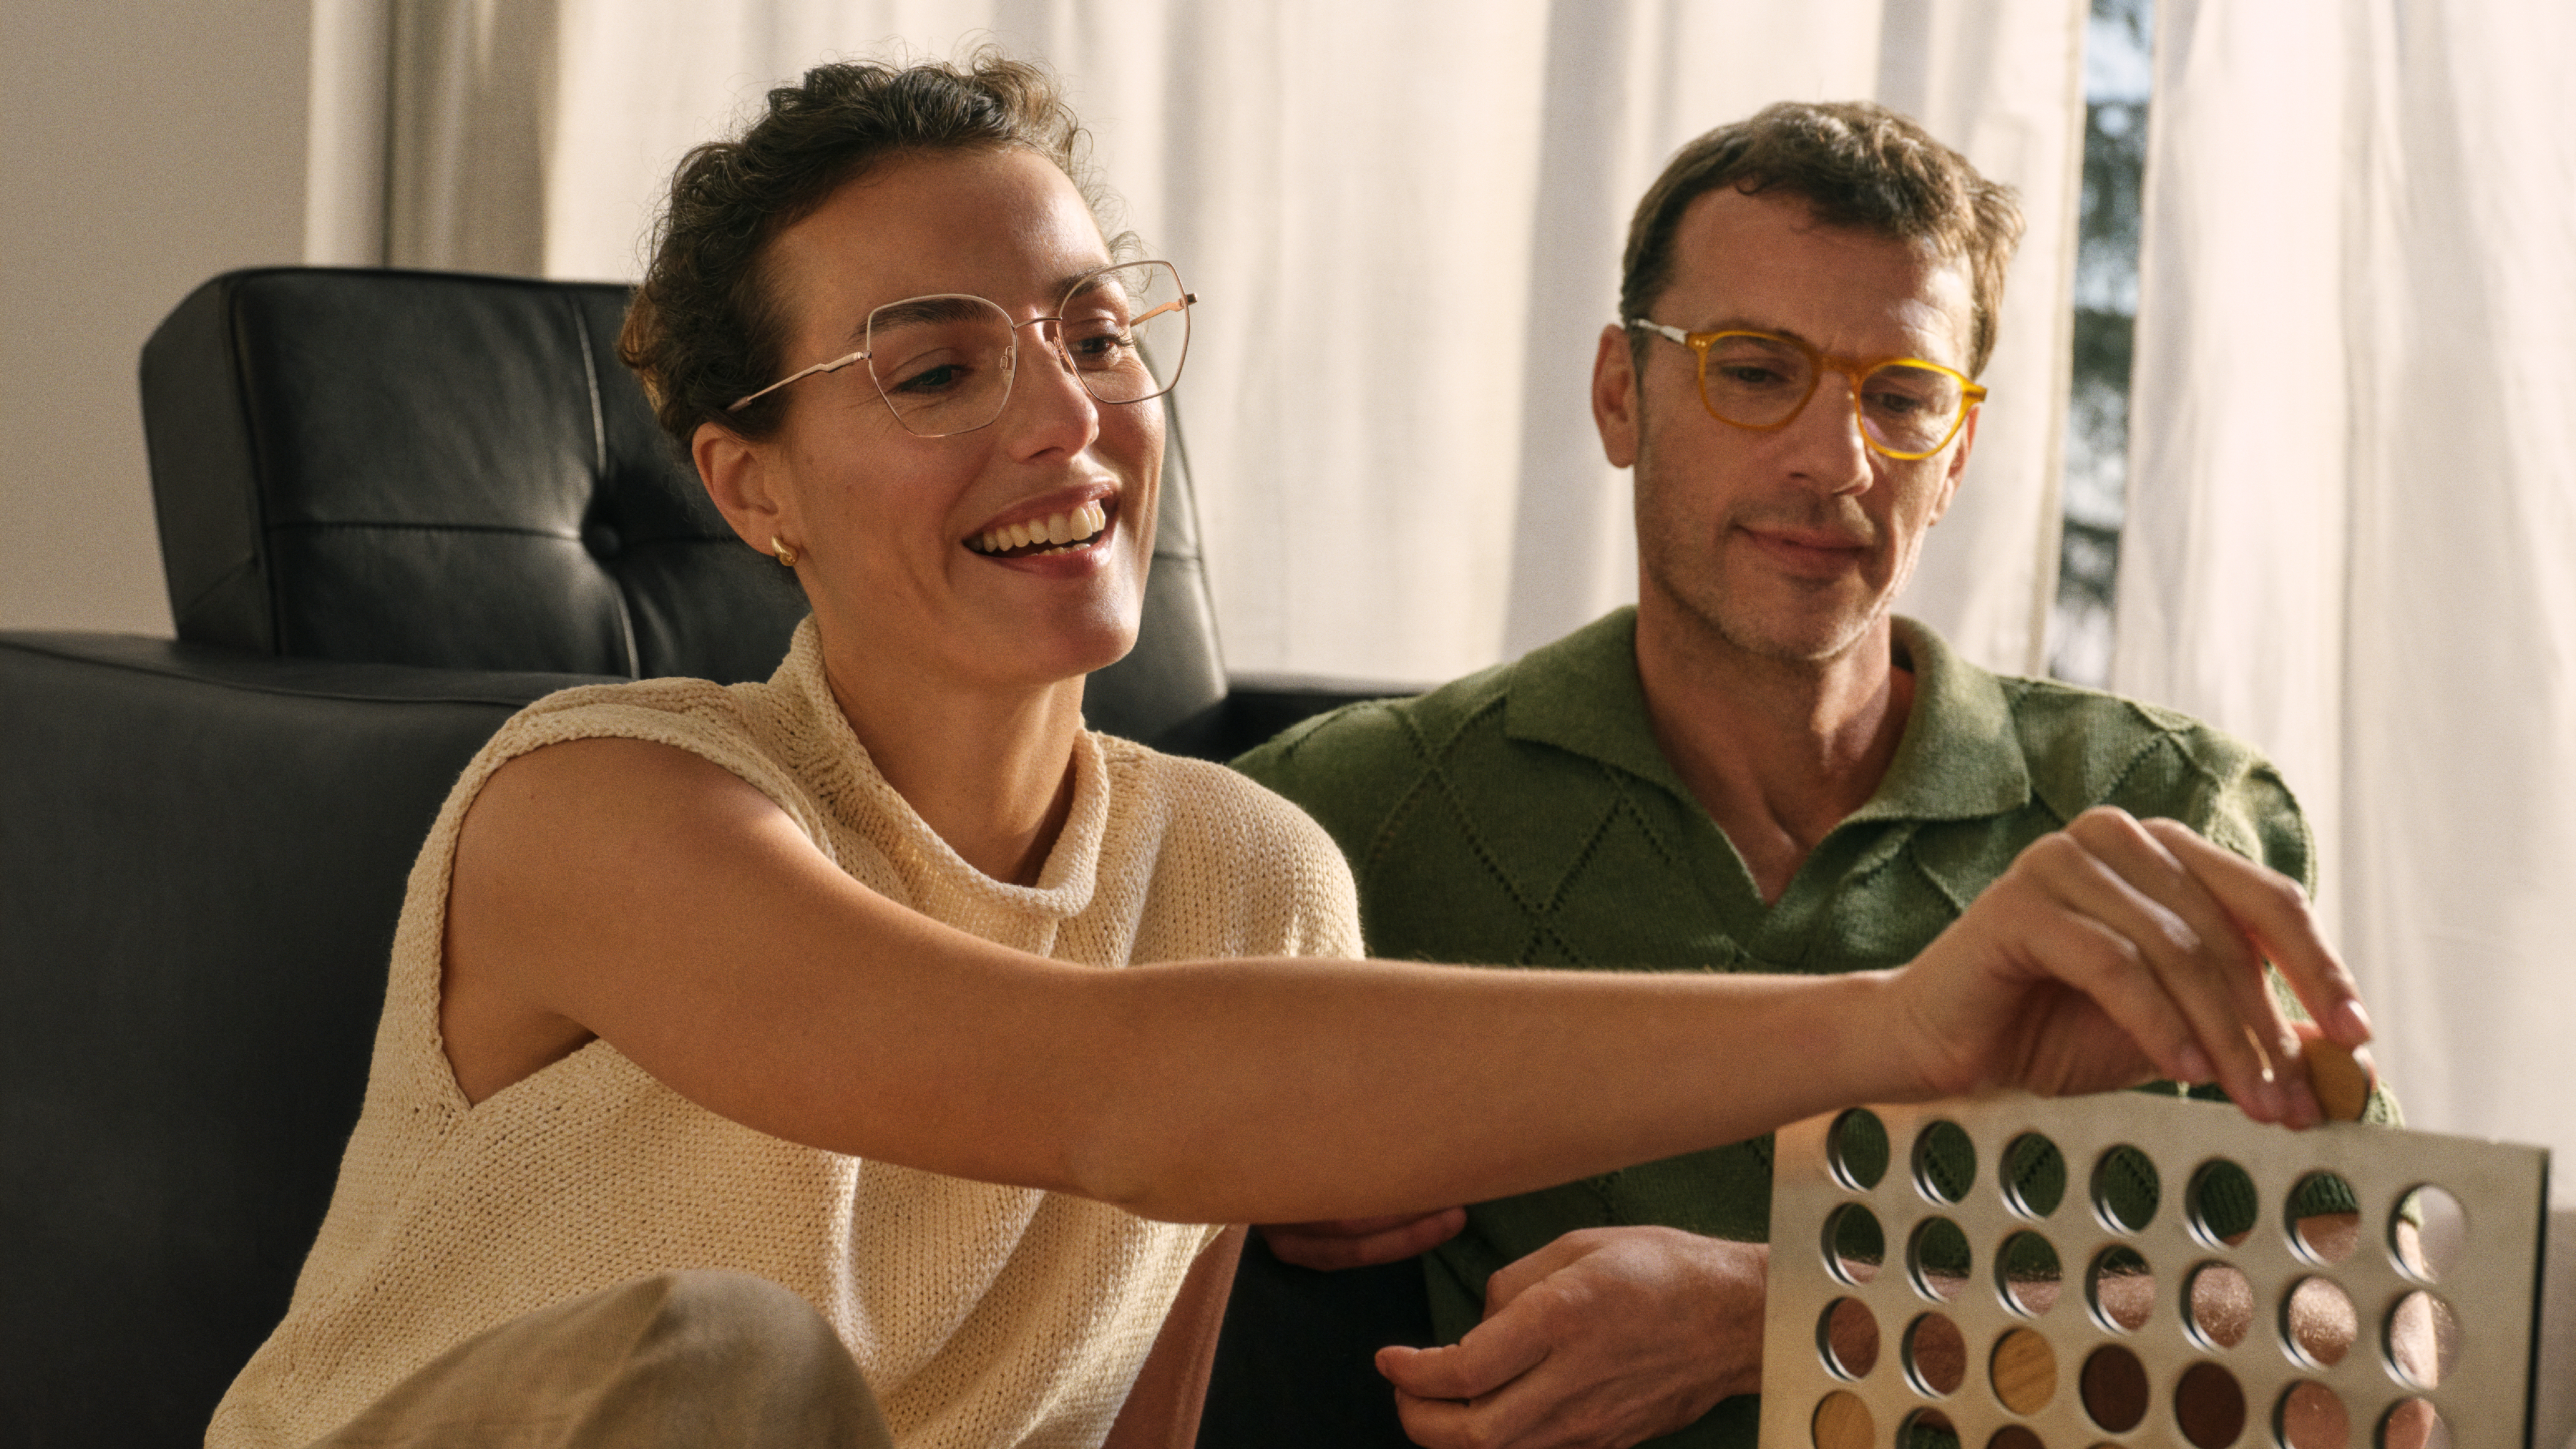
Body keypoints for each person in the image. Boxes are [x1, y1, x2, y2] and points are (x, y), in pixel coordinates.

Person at [204, 64, 2365, 1449]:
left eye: (1092, 333)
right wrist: (1896, 1027)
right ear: (747, 490)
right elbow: (1116, 1088)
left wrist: (1778, 1296)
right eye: (935, 366)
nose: (1065, 415)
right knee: (738, 1363)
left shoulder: (1254, 877)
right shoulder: (605, 803)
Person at [1209, 101, 2392, 1449]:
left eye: (1900, 399)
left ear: (1955, 455)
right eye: (1755, 372)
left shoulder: (2172, 813)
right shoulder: (1342, 817)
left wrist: (1788, 1323)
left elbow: (2378, 1332)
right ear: (1620, 394)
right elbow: (1087, 1189)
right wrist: (1236, 1180)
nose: (1835, 461)